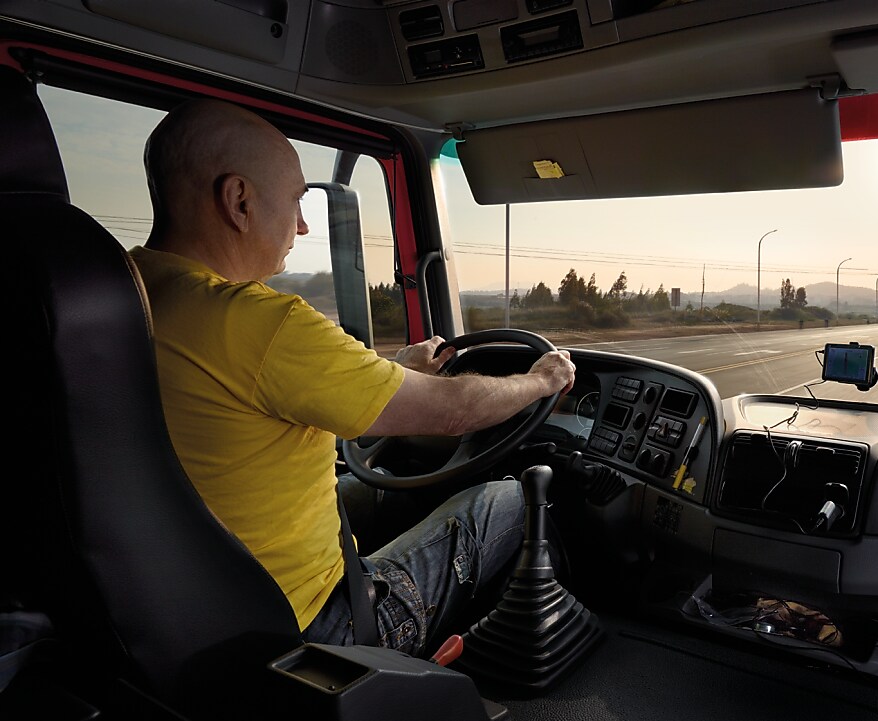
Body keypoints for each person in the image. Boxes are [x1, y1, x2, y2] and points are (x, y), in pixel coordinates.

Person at [128, 98, 575, 658]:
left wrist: (393, 374)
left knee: (379, 479)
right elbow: (453, 411)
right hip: (313, 632)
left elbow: (271, 398)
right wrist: (540, 380)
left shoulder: (129, 290)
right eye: (296, 201)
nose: (302, 224)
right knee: (508, 500)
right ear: (239, 200)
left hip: (181, 609)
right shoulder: (258, 321)